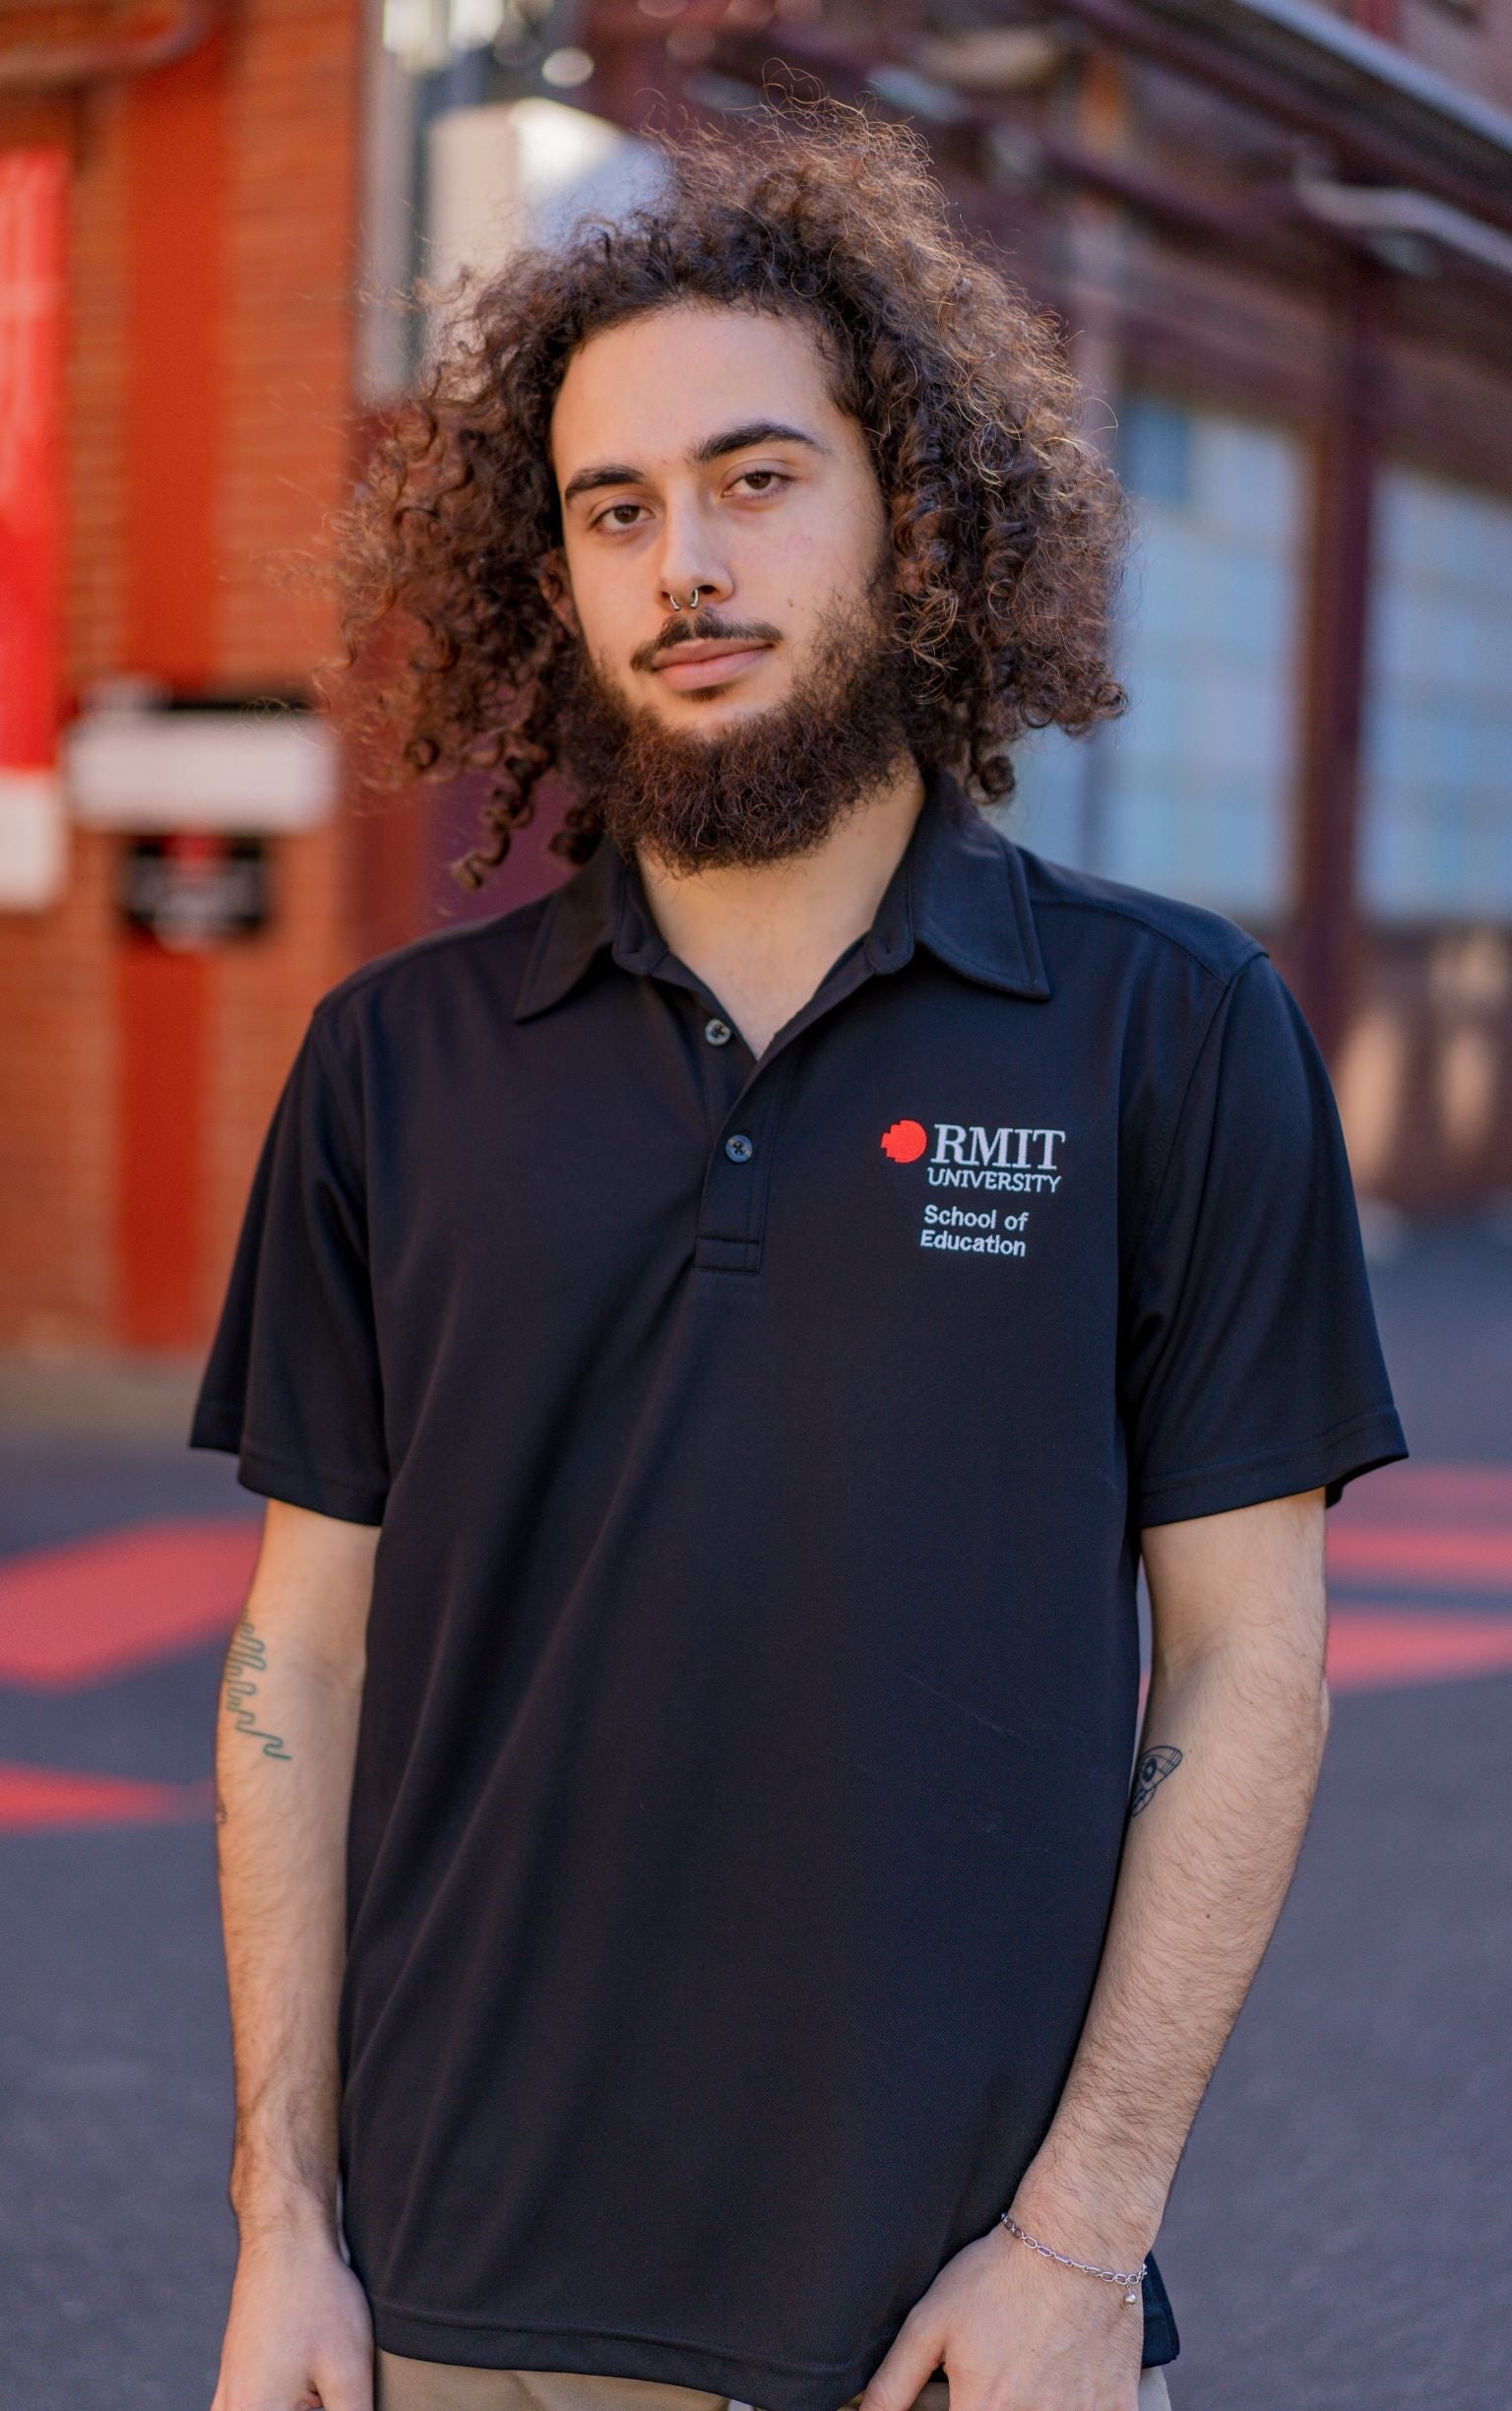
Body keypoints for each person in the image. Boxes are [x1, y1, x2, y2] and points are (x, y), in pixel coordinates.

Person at [190, 101, 1407, 2411]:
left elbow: (1252, 1661)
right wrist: (283, 2227)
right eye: (615, 508)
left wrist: (1084, 2237)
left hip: (958, 2328)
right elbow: (299, 1667)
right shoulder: (390, 1067)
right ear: (557, 572)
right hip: (457, 2316)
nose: (687, 564)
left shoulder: (1169, 1032)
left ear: (909, 512)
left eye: (758, 478)